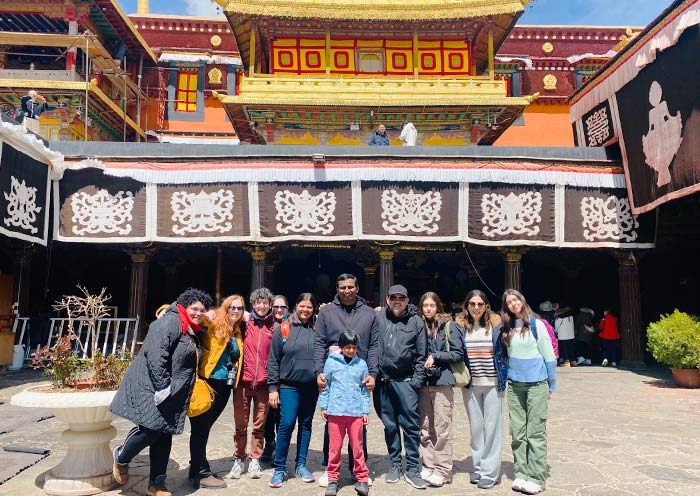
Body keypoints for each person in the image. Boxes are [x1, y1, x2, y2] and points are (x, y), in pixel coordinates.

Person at [110, 288, 213, 496]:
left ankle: (156, 484)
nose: (198, 313)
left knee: (164, 435)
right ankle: (121, 455)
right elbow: (156, 355)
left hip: (173, 394)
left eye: (202, 310)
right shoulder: (170, 322)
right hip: (155, 389)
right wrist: (163, 386)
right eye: (194, 308)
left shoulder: (191, 329)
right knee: (150, 430)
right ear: (183, 306)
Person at [314, 273, 379, 487]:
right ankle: (329, 468)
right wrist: (319, 372)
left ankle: (358, 469)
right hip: (334, 377)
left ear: (357, 288)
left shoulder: (369, 314)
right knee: (331, 426)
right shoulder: (326, 312)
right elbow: (319, 343)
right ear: (337, 288)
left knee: (358, 428)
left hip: (359, 374)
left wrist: (373, 373)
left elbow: (374, 346)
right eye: (342, 287)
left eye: (351, 287)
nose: (347, 290)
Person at [501, 289, 556, 495]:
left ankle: (536, 477)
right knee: (517, 432)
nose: (513, 304)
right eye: (509, 302)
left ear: (522, 301)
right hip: (515, 384)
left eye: (516, 300)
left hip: (536, 383)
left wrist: (551, 384)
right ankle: (521, 473)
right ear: (506, 306)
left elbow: (548, 354)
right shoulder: (507, 326)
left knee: (535, 432)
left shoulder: (536, 324)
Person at [187, 294, 245, 488]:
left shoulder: (237, 330)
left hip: (224, 387)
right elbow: (192, 315)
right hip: (207, 382)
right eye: (232, 307)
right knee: (200, 429)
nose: (236, 311)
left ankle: (195, 467)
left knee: (205, 428)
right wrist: (163, 312)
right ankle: (201, 473)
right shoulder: (212, 323)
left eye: (240, 308)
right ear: (225, 308)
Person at [375, 284, 428, 489]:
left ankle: (413, 468)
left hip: (406, 381)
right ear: (387, 299)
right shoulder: (379, 317)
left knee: (411, 427)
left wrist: (415, 381)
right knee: (389, 426)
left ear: (407, 300)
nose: (397, 301)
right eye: (393, 297)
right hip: (384, 382)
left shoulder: (416, 322)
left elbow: (421, 354)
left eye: (401, 298)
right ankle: (395, 464)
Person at [267, 293, 319, 488]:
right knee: (286, 424)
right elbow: (273, 360)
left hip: (311, 386)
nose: (305, 310)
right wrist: (273, 388)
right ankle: (280, 468)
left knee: (306, 424)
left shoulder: (318, 329)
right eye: (302, 306)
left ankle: (301, 464)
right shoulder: (284, 328)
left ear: (314, 309)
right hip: (288, 385)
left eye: (309, 307)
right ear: (296, 306)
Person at [457, 290, 507, 490]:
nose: (476, 307)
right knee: (476, 428)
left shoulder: (497, 326)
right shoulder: (460, 327)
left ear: (486, 305)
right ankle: (478, 466)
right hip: (471, 384)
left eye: (480, 304)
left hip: (493, 383)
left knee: (492, 428)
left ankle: (490, 471)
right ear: (466, 306)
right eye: (472, 304)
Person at [226, 288, 276, 480]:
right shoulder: (243, 324)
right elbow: (223, 317)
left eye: (265, 302)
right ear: (253, 305)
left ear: (269, 305)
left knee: (259, 426)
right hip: (243, 383)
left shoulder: (275, 327)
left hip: (264, 383)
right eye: (258, 302)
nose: (262, 306)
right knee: (240, 424)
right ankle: (239, 459)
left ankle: (255, 459)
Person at [417, 292, 463, 487]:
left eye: (432, 305)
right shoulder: (418, 325)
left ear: (438, 307)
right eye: (425, 305)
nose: (428, 309)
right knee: (425, 426)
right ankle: (428, 464)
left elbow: (457, 353)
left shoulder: (449, 326)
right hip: (424, 382)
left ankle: (443, 469)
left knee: (442, 427)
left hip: (442, 381)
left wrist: (436, 356)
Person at [319, 330, 371, 496]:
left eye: (354, 347)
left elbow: (364, 390)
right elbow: (325, 385)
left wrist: (365, 411)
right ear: (341, 347)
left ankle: (361, 478)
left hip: (355, 413)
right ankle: (333, 479)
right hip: (335, 412)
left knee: (358, 447)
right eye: (348, 347)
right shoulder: (331, 362)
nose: (351, 350)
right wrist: (324, 406)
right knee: (334, 448)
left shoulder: (361, 364)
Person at [261, 294, 289, 463]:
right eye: (275, 307)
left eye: (282, 307)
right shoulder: (264, 323)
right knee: (266, 415)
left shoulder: (291, 325)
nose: (279, 310)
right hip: (265, 376)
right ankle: (269, 443)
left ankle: (279, 448)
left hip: (284, 378)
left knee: (281, 415)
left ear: (287, 309)